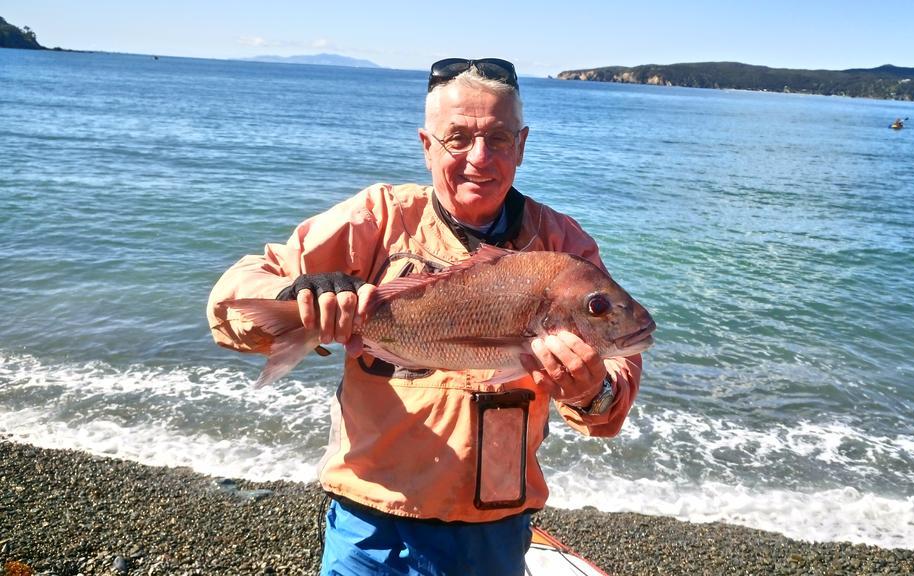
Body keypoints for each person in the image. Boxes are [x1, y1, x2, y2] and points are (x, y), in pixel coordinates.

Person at [207, 57, 643, 576]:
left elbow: (613, 396)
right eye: (457, 137)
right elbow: (229, 301)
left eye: (499, 139)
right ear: (426, 145)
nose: (479, 158)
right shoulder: (378, 218)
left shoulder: (562, 248)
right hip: (371, 523)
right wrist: (294, 293)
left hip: (492, 529)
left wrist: (591, 390)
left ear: (521, 146)